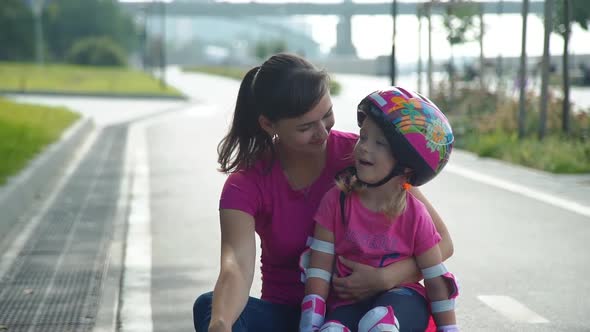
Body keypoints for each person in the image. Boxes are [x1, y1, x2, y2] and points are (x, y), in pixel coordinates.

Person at [192, 53, 454, 332]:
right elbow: (236, 267)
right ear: (269, 125)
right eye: (306, 127)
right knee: (210, 308)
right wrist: (220, 324)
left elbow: (442, 242)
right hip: (290, 316)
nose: (322, 132)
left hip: (371, 313)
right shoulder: (245, 183)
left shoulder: (362, 155)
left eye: (327, 115)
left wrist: (384, 278)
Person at [298, 87, 459, 332]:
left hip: (403, 300)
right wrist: (311, 322)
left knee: (381, 324)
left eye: (379, 143)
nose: (363, 147)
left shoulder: (416, 215)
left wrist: (450, 329)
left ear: (407, 166)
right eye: (363, 137)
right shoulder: (336, 201)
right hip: (348, 302)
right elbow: (318, 268)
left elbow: (436, 281)